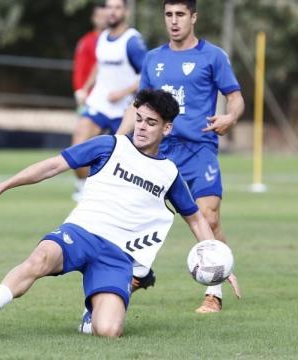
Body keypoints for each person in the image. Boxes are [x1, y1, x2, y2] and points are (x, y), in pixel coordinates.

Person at [0, 89, 237, 338]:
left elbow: (195, 218)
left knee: (108, 330)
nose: (142, 127)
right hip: (81, 232)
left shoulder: (169, 173)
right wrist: (3, 186)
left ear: (167, 128)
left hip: (117, 255)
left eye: (151, 123)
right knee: (40, 258)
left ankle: (92, 313)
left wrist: (216, 256)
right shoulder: (109, 146)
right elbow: (52, 166)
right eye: (139, 119)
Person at [116, 0, 245, 314]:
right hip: (161, 153)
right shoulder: (153, 59)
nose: (174, 21)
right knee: (137, 220)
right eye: (169, 15)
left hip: (200, 150)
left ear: (193, 17)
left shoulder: (213, 56)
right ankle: (139, 272)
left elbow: (236, 98)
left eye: (180, 15)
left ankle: (214, 293)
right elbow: (138, 107)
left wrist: (230, 118)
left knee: (209, 218)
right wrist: (117, 143)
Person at [71, 0, 147, 202]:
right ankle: (84, 190)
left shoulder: (132, 42)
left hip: (124, 110)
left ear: (126, 12)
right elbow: (99, 64)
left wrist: (122, 92)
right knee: (77, 150)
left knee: (124, 163)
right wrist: (85, 88)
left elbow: (147, 76)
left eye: (117, 8)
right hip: (100, 105)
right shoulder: (103, 37)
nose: (112, 12)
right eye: (109, 7)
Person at [72, 2, 107, 111]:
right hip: (90, 97)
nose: (102, 19)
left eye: (104, 16)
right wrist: (80, 91)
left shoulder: (116, 41)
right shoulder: (86, 42)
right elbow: (79, 68)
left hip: (110, 97)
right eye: (99, 16)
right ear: (93, 18)